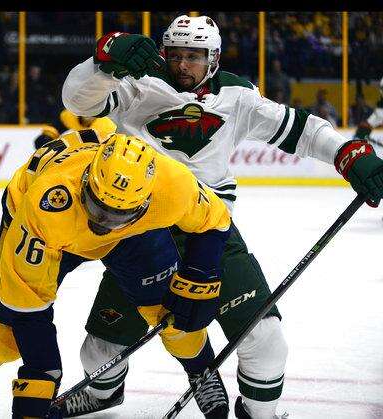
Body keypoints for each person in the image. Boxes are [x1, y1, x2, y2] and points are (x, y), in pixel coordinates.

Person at [62, 15, 383, 419]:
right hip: (138, 232)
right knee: (98, 352)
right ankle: (104, 393)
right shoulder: (137, 82)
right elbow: (78, 102)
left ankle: (259, 413)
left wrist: (346, 153)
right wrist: (102, 63)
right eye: (175, 55)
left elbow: (300, 129)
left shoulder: (237, 95)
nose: (183, 64)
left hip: (210, 231)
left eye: (194, 57)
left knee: (266, 340)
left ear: (213, 59)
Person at [0, 131, 233, 419]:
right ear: (85, 182)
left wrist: (200, 274)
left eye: (117, 214)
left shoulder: (173, 184)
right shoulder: (45, 208)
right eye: (99, 208)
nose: (104, 224)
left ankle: (202, 371)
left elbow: (215, 220)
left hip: (129, 235)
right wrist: (41, 373)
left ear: (147, 200)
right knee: (5, 335)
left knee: (171, 315)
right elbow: (28, 309)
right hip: (55, 229)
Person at [33, 109, 116, 150]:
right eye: (87, 108)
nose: (88, 114)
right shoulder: (71, 116)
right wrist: (47, 136)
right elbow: (56, 126)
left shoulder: (106, 126)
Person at [354, 77, 383, 152]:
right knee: (363, 127)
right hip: (380, 111)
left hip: (380, 111)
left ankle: (360, 142)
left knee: (364, 126)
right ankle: (360, 144)